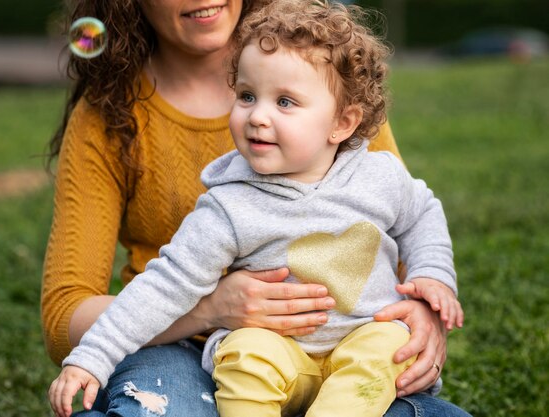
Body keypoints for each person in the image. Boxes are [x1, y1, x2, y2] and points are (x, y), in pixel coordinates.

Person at [42, 0, 471, 416]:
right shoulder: (227, 205)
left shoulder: (345, 113)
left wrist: (430, 292)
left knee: (393, 373)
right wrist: (100, 354)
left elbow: (417, 217)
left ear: (343, 124)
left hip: (360, 338)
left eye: (284, 102)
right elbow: (157, 288)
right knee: (230, 368)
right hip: (227, 346)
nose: (258, 118)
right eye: (245, 96)